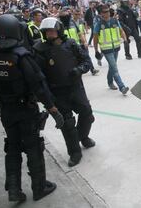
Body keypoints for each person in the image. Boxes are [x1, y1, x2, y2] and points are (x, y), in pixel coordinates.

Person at [0, 15, 64, 202]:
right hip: (26, 109)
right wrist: (53, 109)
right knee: (33, 147)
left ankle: (14, 190)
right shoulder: (21, 56)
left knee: (13, 147)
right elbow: (39, 86)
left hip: (6, 110)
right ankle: (39, 187)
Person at [34, 17, 96, 167]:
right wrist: (47, 98)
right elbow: (39, 76)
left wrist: (79, 70)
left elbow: (86, 62)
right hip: (57, 92)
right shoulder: (39, 50)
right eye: (47, 31)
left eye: (53, 30)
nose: (50, 33)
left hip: (75, 87)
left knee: (87, 113)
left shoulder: (71, 44)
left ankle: (83, 136)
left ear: (59, 30)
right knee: (67, 124)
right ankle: (74, 152)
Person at [93, 5, 129, 94]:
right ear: (101, 14)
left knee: (112, 66)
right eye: (105, 12)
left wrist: (125, 40)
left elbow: (121, 31)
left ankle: (110, 82)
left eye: (108, 11)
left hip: (116, 48)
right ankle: (122, 87)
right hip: (106, 50)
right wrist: (96, 50)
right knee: (115, 68)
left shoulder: (115, 21)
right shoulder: (98, 24)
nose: (107, 13)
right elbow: (95, 38)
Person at [59, 8, 99, 76]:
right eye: (76, 14)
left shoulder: (74, 22)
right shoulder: (59, 25)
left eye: (79, 14)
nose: (78, 15)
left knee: (86, 56)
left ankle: (92, 69)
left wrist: (85, 42)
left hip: (78, 44)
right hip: (68, 47)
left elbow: (80, 33)